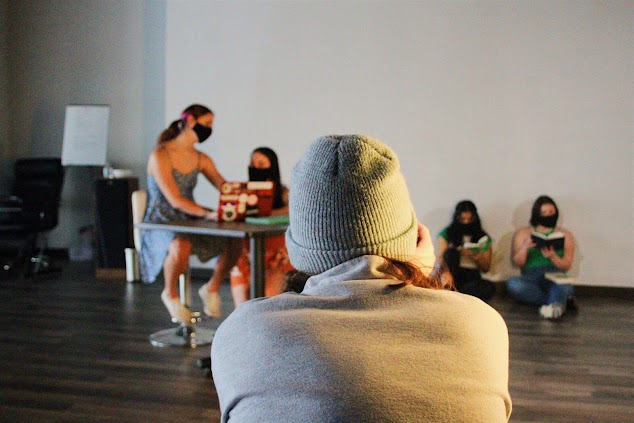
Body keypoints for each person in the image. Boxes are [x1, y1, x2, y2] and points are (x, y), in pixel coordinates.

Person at [212, 135, 512, 422]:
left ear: (299, 245)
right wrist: (418, 272)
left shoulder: (243, 332)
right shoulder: (482, 324)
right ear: (415, 237)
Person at [139, 104, 242, 322]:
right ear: (191, 121)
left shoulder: (201, 158)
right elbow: (175, 200)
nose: (210, 128)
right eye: (207, 123)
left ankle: (211, 287)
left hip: (189, 219)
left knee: (235, 240)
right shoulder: (160, 154)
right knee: (181, 245)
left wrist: (249, 195)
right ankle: (170, 294)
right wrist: (207, 213)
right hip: (161, 220)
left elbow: (224, 187)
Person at [227, 147, 294, 306]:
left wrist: (266, 212)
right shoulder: (243, 193)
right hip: (247, 251)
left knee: (268, 299)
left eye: (261, 164)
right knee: (242, 300)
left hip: (277, 253)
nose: (256, 167)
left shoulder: (283, 192)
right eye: (253, 164)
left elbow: (293, 208)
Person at [507, 195, 576, 319]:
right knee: (513, 284)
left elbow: (567, 265)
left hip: (555, 273)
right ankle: (558, 302)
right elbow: (518, 263)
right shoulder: (523, 233)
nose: (548, 215)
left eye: (551, 212)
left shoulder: (566, 234)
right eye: (543, 213)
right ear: (537, 213)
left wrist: (553, 256)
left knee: (564, 285)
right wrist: (525, 247)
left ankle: (555, 304)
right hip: (531, 275)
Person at [436, 200, 496, 301]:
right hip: (453, 272)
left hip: (472, 274)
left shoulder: (483, 237)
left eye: (470, 219)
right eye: (463, 219)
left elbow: (486, 268)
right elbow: (441, 259)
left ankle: (458, 294)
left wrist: (474, 255)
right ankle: (458, 294)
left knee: (489, 287)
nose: (466, 223)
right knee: (451, 253)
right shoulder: (447, 233)